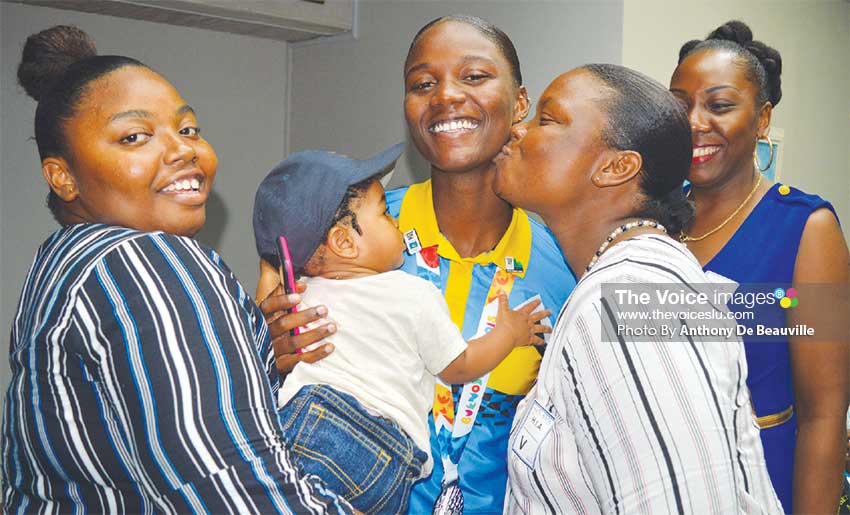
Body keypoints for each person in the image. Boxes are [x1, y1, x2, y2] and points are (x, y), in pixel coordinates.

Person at [1, 25, 353, 514]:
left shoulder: (62, 261)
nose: (184, 149)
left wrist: (244, 356)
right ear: (62, 176)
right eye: (135, 136)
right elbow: (242, 500)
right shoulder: (145, 261)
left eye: (187, 129)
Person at [259, 15, 576, 514]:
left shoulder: (565, 260)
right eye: (422, 84)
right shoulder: (347, 240)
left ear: (519, 104)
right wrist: (269, 351)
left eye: (474, 77)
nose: (446, 96)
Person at [494, 63, 782, 514]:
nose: (517, 130)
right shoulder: (636, 280)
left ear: (616, 167)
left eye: (545, 120)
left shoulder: (630, 292)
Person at [252, 145, 551, 514]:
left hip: (296, 424)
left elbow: (263, 305)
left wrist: (269, 272)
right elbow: (459, 366)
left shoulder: (302, 293)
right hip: (383, 452)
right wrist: (509, 332)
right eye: (385, 216)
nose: (394, 222)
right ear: (344, 242)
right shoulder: (413, 291)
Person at [669, 21, 849, 513]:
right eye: (680, 105)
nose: (694, 123)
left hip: (762, 486)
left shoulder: (805, 228)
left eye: (719, 105)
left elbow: (824, 414)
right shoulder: (653, 222)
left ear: (763, 118)